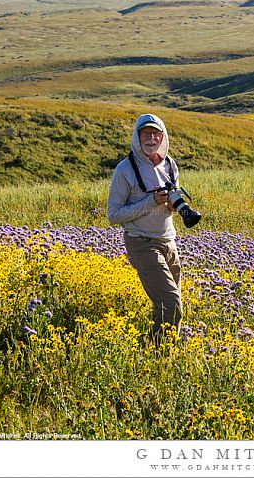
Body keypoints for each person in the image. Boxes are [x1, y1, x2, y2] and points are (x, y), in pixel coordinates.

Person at [107, 113, 182, 347]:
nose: (151, 138)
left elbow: (172, 202)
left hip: (169, 241)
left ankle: (166, 351)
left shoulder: (169, 164)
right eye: (145, 133)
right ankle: (155, 353)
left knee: (173, 304)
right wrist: (151, 202)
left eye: (155, 133)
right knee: (171, 305)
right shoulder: (125, 169)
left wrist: (173, 204)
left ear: (163, 136)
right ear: (137, 137)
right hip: (142, 242)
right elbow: (114, 214)